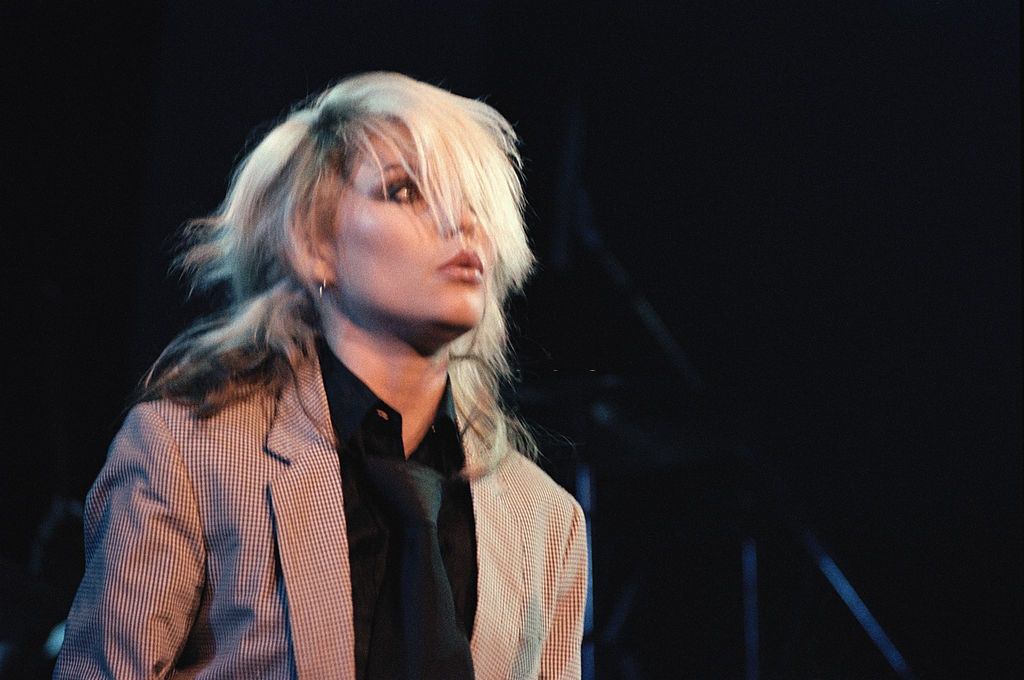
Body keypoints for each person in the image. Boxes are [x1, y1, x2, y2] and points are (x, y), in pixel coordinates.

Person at [54, 71, 587, 680]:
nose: (459, 223)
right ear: (316, 243)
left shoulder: (544, 517)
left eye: (474, 201)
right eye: (405, 191)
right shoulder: (189, 453)